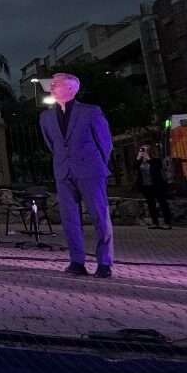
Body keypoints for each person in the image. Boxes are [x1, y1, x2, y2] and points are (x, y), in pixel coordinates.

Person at [39, 72, 115, 278]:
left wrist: (97, 165)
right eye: (52, 84)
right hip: (63, 172)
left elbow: (105, 143)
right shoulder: (46, 117)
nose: (52, 87)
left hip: (90, 170)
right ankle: (77, 261)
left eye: (57, 84)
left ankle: (105, 262)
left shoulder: (91, 112)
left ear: (71, 89)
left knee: (99, 216)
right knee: (69, 218)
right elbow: (52, 144)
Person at [135, 144, 172, 230]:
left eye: (145, 150)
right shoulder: (140, 162)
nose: (143, 151)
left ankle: (167, 222)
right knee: (151, 204)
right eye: (142, 150)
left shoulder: (156, 160)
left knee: (163, 203)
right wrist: (138, 157)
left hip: (157, 186)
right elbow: (134, 167)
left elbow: (157, 168)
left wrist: (148, 158)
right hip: (146, 186)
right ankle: (155, 222)